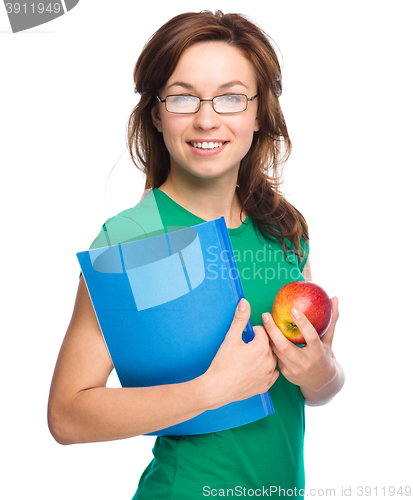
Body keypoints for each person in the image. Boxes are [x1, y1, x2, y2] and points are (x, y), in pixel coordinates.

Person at [48, 10, 345, 499]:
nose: (206, 119)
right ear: (158, 114)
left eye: (231, 97)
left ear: (258, 114)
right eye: (184, 97)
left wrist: (322, 374)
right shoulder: (134, 239)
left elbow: (319, 389)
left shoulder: (283, 227)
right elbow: (67, 415)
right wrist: (210, 391)